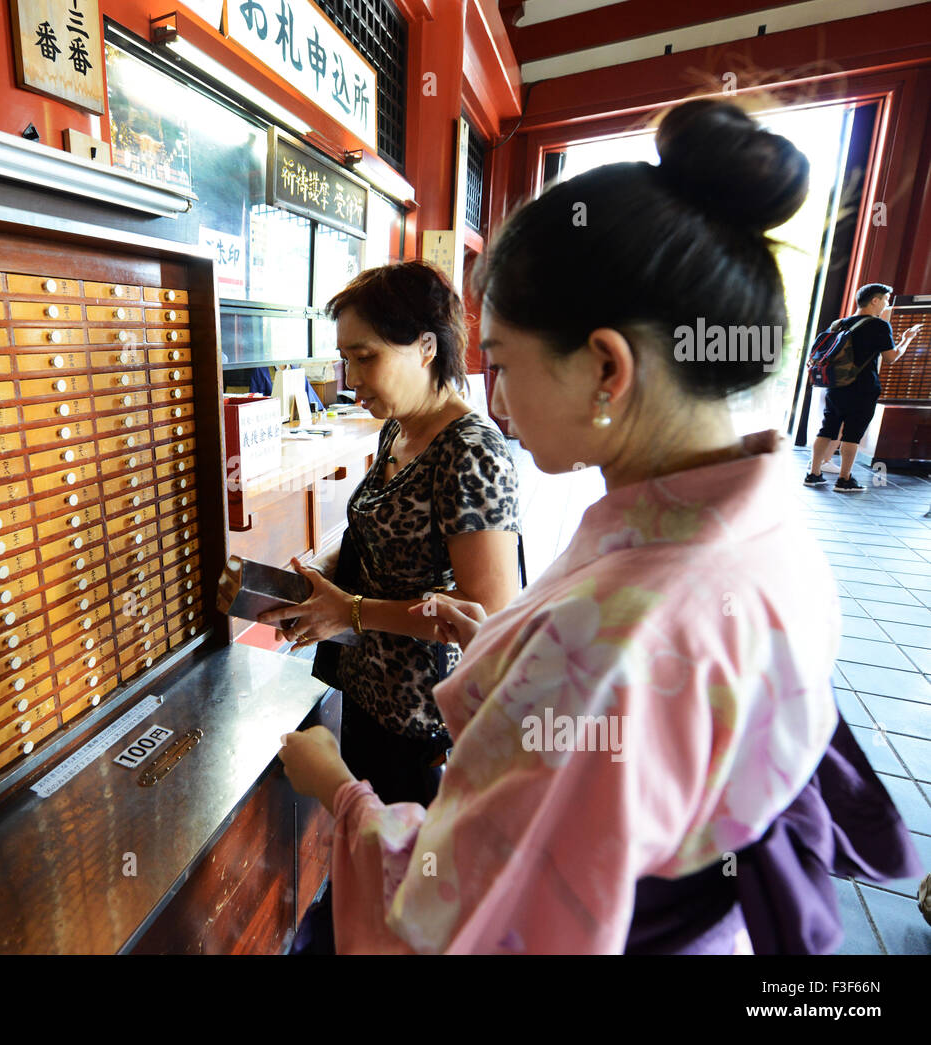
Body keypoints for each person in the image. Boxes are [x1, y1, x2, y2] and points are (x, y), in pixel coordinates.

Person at [277, 99, 921, 954]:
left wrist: (339, 790)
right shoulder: (766, 537)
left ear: (606, 367)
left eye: (502, 362)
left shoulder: (605, 635)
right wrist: (508, 645)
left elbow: (462, 919)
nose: (496, 399)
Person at [222, 259, 522, 809]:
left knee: (401, 871)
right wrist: (315, 585)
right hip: (367, 690)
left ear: (427, 348)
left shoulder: (469, 451)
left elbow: (487, 607)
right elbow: (374, 535)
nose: (351, 378)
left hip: (423, 721)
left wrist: (351, 612)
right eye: (345, 359)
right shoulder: (397, 431)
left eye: (366, 357)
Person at [804, 283, 922, 491]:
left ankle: (813, 474)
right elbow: (891, 357)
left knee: (827, 428)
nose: (886, 304)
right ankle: (844, 479)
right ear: (874, 301)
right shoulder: (879, 326)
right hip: (863, 387)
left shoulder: (839, 324)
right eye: (885, 300)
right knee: (852, 434)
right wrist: (906, 340)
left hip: (836, 385)